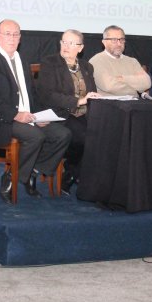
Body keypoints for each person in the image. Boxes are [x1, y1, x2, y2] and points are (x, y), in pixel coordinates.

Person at [0, 19, 72, 202]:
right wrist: (15, 115)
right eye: (7, 34)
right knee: (35, 136)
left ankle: (31, 172)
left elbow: (32, 95)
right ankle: (12, 178)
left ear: (20, 38)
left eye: (16, 34)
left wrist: (39, 115)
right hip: (0, 120)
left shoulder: (23, 59)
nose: (12, 38)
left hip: (27, 116)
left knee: (63, 134)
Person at [35, 29, 100, 193]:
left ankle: (73, 173)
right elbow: (48, 95)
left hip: (84, 114)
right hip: (60, 113)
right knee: (82, 137)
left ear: (80, 47)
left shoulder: (87, 67)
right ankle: (71, 173)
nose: (66, 46)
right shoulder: (50, 63)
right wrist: (78, 101)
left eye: (71, 43)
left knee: (103, 134)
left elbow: (90, 92)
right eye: (64, 42)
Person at [89, 25, 151, 96]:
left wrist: (122, 78)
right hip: (108, 105)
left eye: (121, 40)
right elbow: (109, 86)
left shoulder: (132, 61)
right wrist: (135, 87)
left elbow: (147, 83)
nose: (119, 44)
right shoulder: (96, 61)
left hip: (134, 104)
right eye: (114, 40)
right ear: (104, 42)